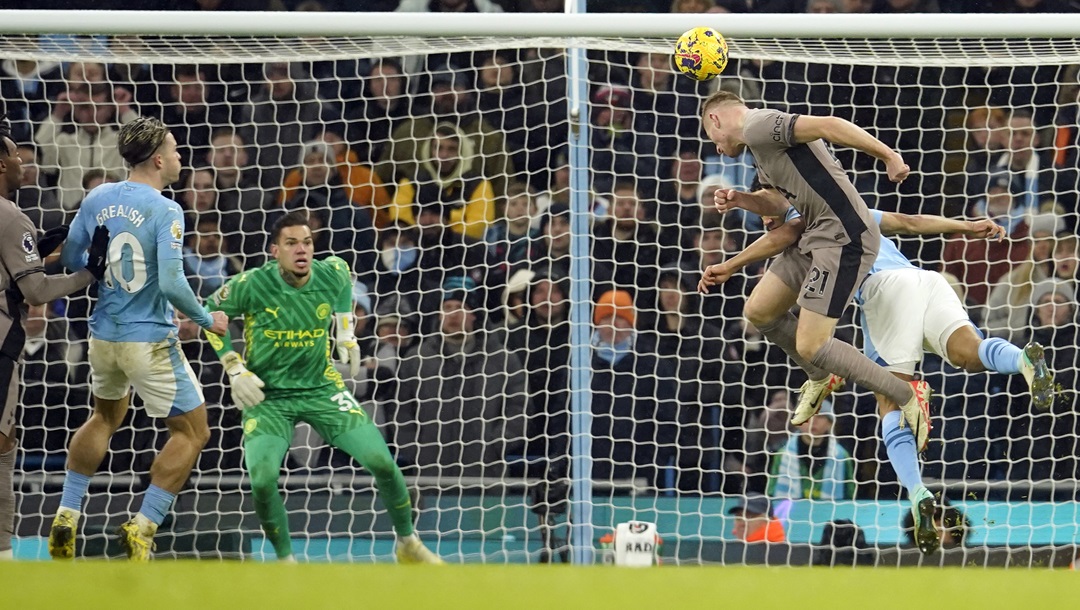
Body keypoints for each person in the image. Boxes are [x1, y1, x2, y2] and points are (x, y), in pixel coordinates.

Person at [701, 206, 1055, 555]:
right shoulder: (853, 208)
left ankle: (917, 491)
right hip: (926, 279)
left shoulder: (804, 238)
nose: (767, 223)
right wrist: (965, 226)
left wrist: (732, 263)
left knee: (891, 399)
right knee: (971, 353)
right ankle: (1022, 359)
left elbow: (801, 305)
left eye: (769, 219)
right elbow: (910, 221)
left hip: (884, 291)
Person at [698, 89, 932, 483]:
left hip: (844, 237)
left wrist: (888, 155)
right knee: (760, 311)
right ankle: (821, 376)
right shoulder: (760, 148)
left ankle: (909, 394)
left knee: (811, 342)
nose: (718, 151)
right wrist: (740, 199)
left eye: (712, 139)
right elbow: (776, 202)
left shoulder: (760, 124)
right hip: (811, 236)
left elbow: (829, 125)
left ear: (716, 120)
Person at [204, 211, 441, 564]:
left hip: (321, 388)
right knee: (263, 479)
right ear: (274, 251)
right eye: (291, 244)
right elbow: (210, 315)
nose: (302, 250)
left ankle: (407, 542)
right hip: (269, 397)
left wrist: (344, 329)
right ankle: (286, 561)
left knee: (383, 462)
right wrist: (234, 368)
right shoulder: (250, 284)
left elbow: (342, 276)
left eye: (307, 242)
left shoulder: (329, 272)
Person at [52, 116, 230, 561]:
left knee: (104, 417)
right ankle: (144, 524)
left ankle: (67, 514)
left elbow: (73, 257)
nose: (179, 156)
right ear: (156, 159)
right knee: (192, 432)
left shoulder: (97, 196)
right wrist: (208, 319)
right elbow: (171, 283)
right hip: (148, 339)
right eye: (173, 149)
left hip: (102, 335)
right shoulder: (167, 209)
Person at [0, 113, 109, 560]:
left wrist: (37, 251)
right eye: (12, 153)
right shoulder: (11, 215)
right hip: (0, 345)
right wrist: (89, 272)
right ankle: (4, 553)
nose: (22, 159)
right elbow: (36, 290)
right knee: (3, 449)